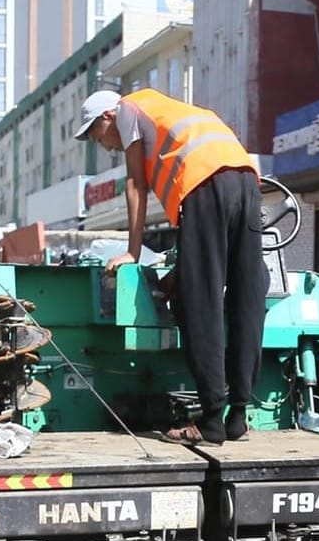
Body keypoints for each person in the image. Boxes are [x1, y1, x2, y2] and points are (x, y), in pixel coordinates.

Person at [74, 87, 265, 445]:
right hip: (247, 181)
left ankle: (211, 421)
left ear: (107, 117)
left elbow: (135, 183)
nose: (107, 147)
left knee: (199, 302)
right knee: (247, 295)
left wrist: (133, 252)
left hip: (204, 185)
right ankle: (238, 415)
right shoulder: (171, 112)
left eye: (99, 137)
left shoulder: (129, 109)